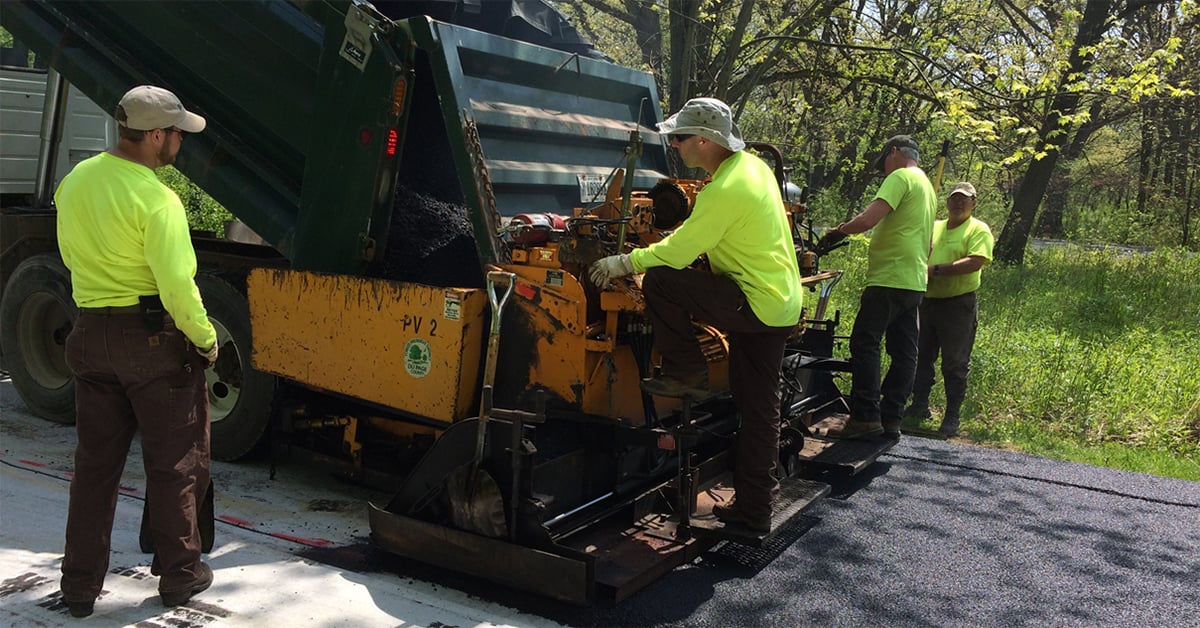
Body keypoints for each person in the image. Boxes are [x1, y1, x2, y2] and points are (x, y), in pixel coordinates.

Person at [589, 97, 802, 533]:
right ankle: (755, 507)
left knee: (662, 281)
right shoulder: (753, 167)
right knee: (759, 407)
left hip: (755, 300)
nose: (676, 145)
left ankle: (687, 372)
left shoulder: (726, 189)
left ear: (704, 141)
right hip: (775, 300)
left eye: (680, 137)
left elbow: (681, 250)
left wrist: (627, 263)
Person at [55, 85, 217, 617]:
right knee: (173, 464)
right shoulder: (156, 199)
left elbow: (71, 256)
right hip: (150, 341)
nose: (179, 142)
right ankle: (180, 575)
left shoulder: (75, 182)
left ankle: (79, 587)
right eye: (175, 133)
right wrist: (205, 339)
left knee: (95, 469)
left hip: (91, 334)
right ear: (153, 136)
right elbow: (177, 286)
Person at [814, 135, 936, 438]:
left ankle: (866, 417)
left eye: (884, 161)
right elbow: (930, 243)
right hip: (914, 281)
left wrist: (837, 231)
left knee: (865, 343)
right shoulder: (927, 187)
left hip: (889, 277)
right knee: (905, 352)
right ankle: (891, 418)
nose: (884, 168)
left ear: (893, 152)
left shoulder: (900, 177)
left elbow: (868, 220)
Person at [903, 182, 994, 437]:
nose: (958, 203)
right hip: (927, 300)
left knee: (954, 362)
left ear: (974, 203)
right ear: (947, 202)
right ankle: (920, 405)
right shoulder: (935, 227)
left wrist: (936, 270)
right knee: (921, 355)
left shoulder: (978, 229)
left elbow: (975, 262)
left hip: (957, 304)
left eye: (964, 199)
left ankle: (952, 415)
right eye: (954, 198)